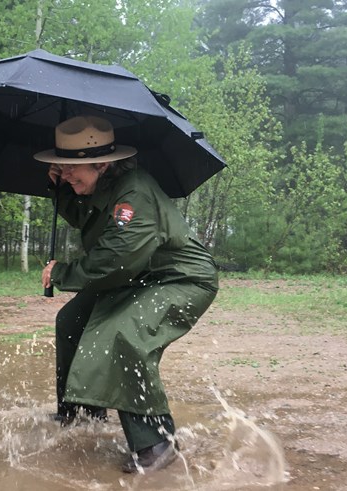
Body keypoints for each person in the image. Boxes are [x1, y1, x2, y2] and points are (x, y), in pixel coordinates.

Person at [35, 115, 218, 473]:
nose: (67, 174)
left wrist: (62, 273)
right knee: (70, 320)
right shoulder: (102, 186)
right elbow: (84, 217)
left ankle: (157, 441)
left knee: (121, 334)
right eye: (62, 167)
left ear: (103, 163)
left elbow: (116, 260)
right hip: (137, 277)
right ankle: (84, 412)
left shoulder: (134, 191)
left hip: (179, 279)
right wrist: (59, 188)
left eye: (74, 168)